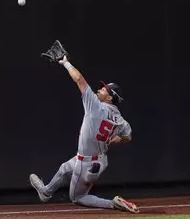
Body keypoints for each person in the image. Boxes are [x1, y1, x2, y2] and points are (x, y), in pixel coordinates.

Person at [29, 53, 140, 214]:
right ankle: (46, 192)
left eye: (103, 90)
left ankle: (113, 204)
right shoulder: (120, 119)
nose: (99, 90)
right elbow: (128, 136)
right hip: (99, 160)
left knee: (77, 198)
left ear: (109, 98)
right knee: (64, 168)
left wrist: (65, 63)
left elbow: (79, 79)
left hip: (87, 163)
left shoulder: (96, 106)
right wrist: (114, 140)